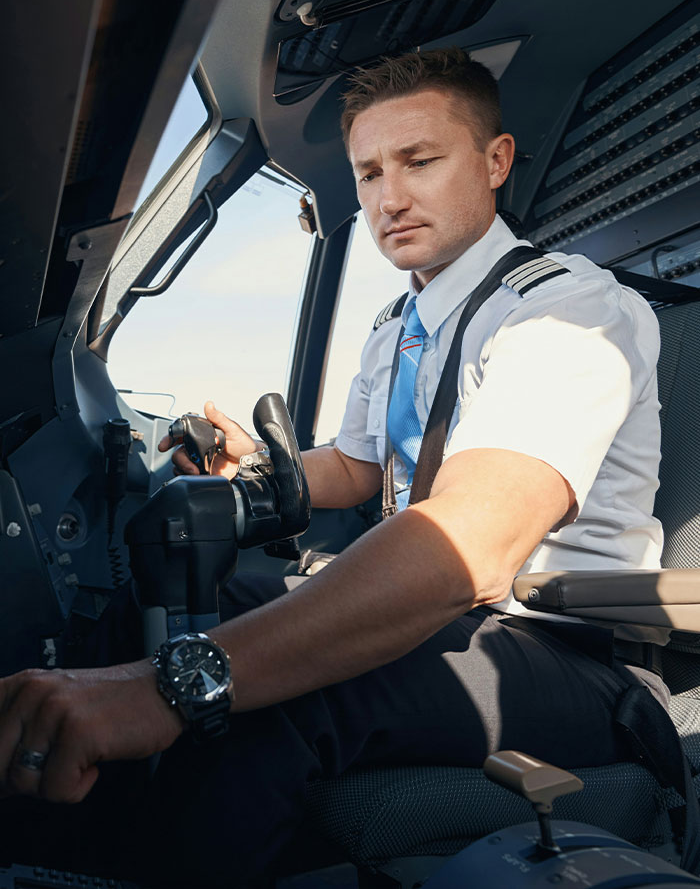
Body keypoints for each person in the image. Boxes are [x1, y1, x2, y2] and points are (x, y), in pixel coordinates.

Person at [0, 48, 667, 885]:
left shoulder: (565, 310)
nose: (390, 198)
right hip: (458, 622)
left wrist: (162, 689)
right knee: (176, 602)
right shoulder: (398, 326)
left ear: (495, 161)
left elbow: (471, 547)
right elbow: (356, 466)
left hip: (566, 653)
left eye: (420, 161)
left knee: (270, 690)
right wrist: (256, 468)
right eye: (370, 173)